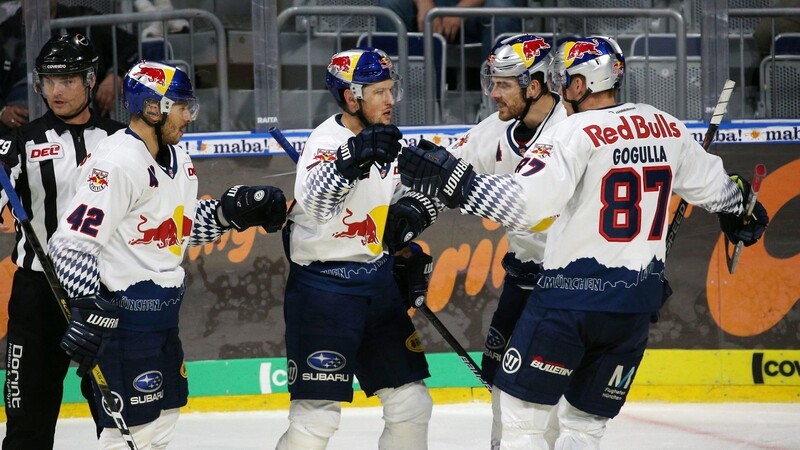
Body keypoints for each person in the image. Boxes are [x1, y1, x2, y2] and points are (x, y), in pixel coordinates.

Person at [397, 36, 769, 449]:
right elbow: (721, 191)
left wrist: (457, 183)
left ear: (575, 85)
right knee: (583, 426)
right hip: (632, 297)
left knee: (521, 417)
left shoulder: (572, 131)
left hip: (566, 296)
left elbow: (524, 203)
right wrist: (742, 209)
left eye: (564, 80)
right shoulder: (666, 125)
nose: (560, 87)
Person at [46, 60, 287, 448]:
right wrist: (87, 307)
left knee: (163, 425)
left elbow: (180, 230)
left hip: (161, 321)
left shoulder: (180, 161)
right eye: (182, 106)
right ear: (152, 107)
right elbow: (70, 243)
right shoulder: (117, 162)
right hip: (122, 325)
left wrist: (231, 213)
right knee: (130, 435)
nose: (189, 116)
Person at [278, 47, 436, 449]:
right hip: (323, 290)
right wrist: (352, 161)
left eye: (391, 90)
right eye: (379, 92)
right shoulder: (325, 141)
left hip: (376, 283)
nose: (389, 100)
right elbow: (315, 203)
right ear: (351, 97)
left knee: (412, 403)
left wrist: (412, 215)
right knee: (317, 419)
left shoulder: (385, 139)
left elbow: (412, 194)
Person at [0, 33, 126, 450]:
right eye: (49, 81)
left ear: (90, 80)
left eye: (68, 79)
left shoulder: (120, 140)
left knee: (118, 416)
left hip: (102, 292)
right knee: (26, 426)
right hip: (36, 296)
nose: (56, 90)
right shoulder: (21, 141)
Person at [443, 33, 567, 450]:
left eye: (504, 85)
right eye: (492, 82)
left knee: (546, 399)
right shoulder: (495, 129)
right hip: (522, 278)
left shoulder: (573, 134)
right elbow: (444, 169)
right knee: (498, 377)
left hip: (568, 284)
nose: (494, 94)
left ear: (535, 86)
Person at [0, 0, 138, 130]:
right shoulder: (4, 33)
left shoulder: (82, 19)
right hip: (19, 120)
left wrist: (117, 74)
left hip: (78, 116)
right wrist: (2, 111)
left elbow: (131, 46)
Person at [376, 0, 527, 58]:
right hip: (429, 8)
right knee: (391, 6)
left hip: (481, 9)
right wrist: (424, 3)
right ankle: (403, 97)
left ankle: (500, 101)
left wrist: (461, 11)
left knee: (502, 12)